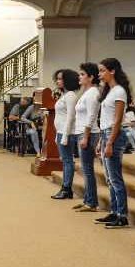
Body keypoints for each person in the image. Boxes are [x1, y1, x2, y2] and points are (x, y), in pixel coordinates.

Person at [95, 58, 132, 229]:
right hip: (106, 133)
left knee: (115, 178)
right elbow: (106, 119)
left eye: (102, 71)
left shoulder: (119, 91)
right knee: (110, 178)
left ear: (113, 71)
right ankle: (114, 210)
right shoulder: (109, 91)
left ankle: (122, 215)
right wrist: (102, 140)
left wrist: (109, 142)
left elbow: (117, 120)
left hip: (114, 135)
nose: (99, 74)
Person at [73, 62, 101, 212]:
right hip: (82, 132)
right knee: (85, 169)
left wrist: (86, 136)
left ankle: (91, 202)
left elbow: (91, 116)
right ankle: (88, 199)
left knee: (88, 169)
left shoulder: (93, 93)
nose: (80, 76)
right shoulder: (87, 92)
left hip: (88, 133)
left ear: (91, 77)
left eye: (83, 74)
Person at [51, 69, 79, 200]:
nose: (58, 81)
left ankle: (66, 188)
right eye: (57, 78)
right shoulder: (65, 95)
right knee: (65, 161)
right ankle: (65, 187)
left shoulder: (71, 96)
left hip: (67, 133)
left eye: (61, 79)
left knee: (68, 161)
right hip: (61, 132)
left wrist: (66, 135)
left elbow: (70, 117)